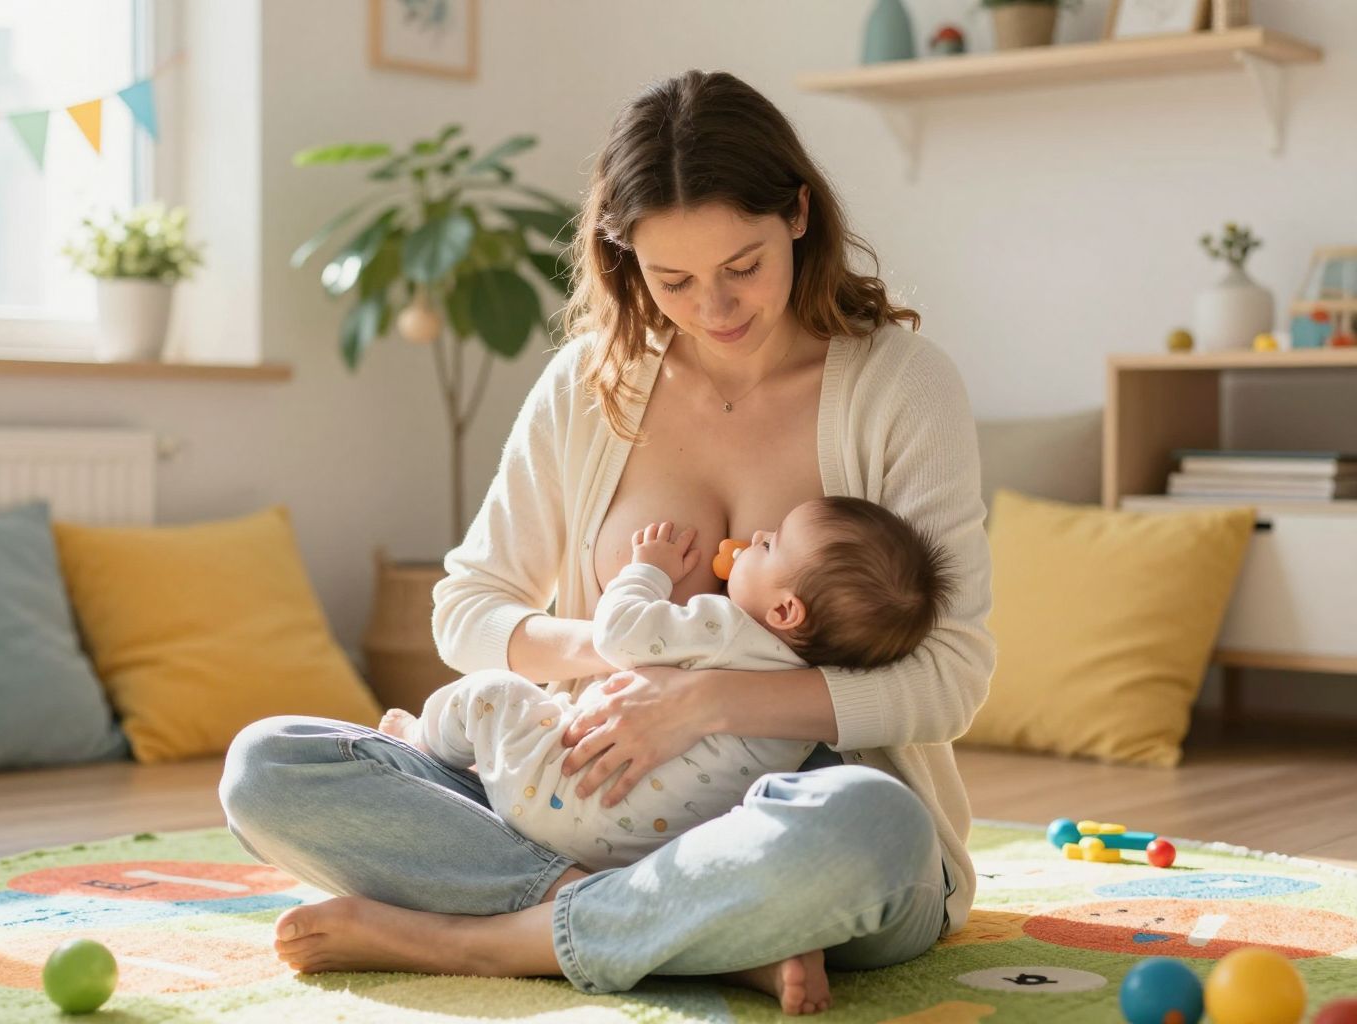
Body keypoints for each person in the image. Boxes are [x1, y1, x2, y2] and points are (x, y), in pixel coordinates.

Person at [219, 67, 994, 1017]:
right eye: (673, 280)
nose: (715, 308)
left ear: (797, 214)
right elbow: (468, 610)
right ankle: (680, 931)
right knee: (269, 767)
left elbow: (948, 681)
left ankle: (494, 941)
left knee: (869, 830)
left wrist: (705, 700)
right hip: (580, 787)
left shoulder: (903, 388)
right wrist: (622, 656)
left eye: (742, 265)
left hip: (794, 808)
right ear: (627, 258)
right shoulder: (591, 385)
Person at [378, 498, 954, 872]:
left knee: (492, 693)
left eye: (771, 543)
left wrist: (648, 569)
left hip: (563, 792)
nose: (755, 535)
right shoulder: (802, 711)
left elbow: (619, 633)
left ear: (784, 611)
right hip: (635, 853)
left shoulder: (724, 628)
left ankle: (426, 744)